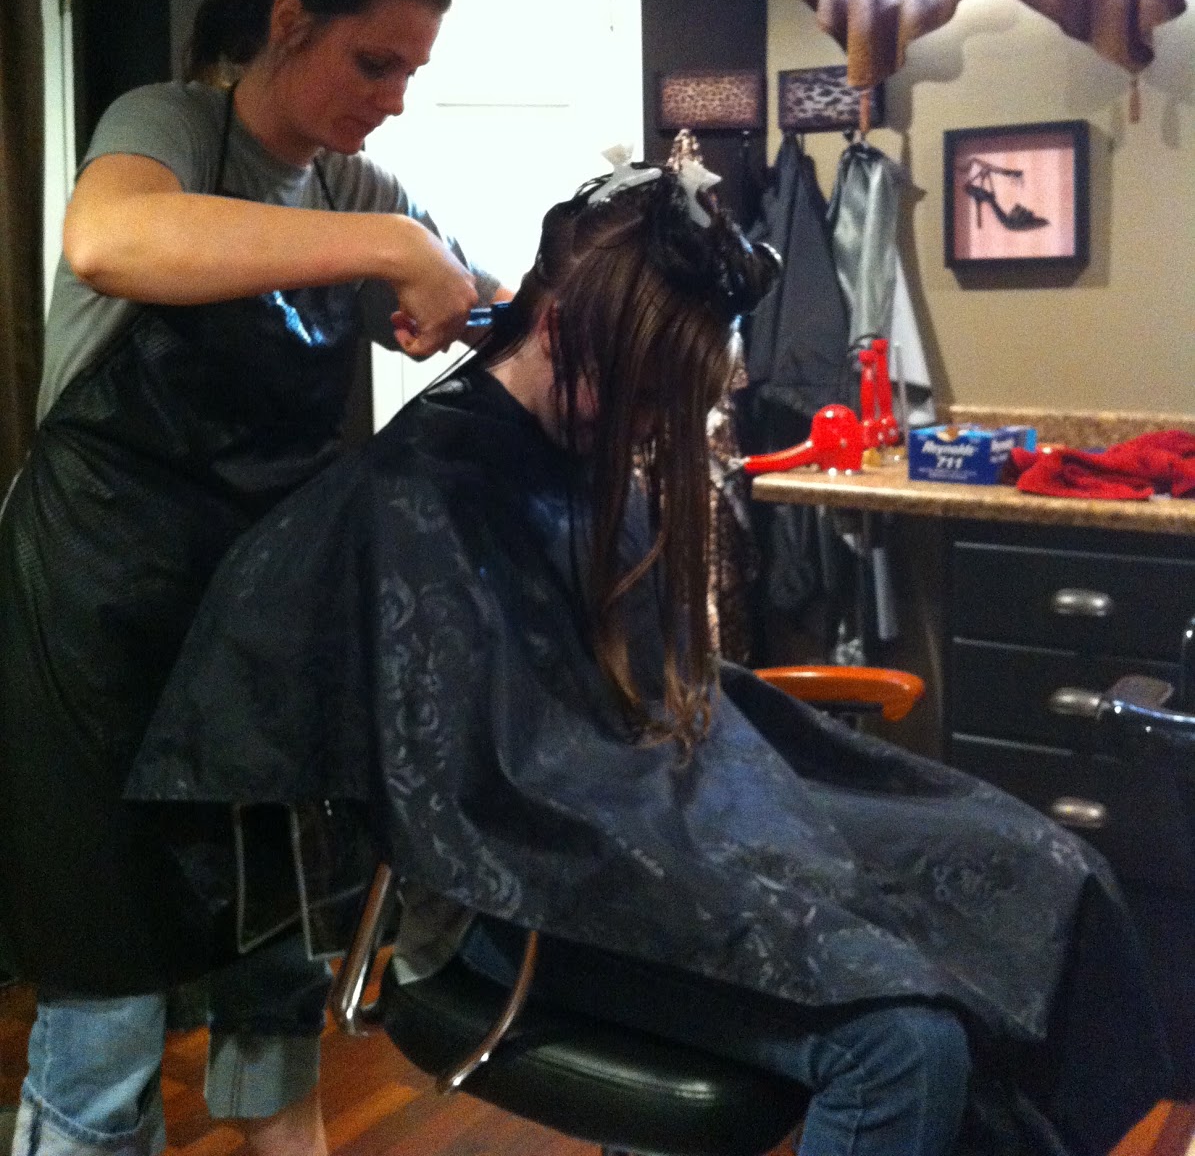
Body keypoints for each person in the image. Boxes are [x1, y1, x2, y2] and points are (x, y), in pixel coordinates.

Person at [130, 159, 1171, 1156]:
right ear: (558, 330)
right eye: (640, 394)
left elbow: (618, 715)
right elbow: (478, 798)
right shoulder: (416, 493)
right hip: (517, 900)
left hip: (643, 836)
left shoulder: (575, 457)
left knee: (1043, 872)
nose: (648, 427)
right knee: (905, 1042)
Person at [0, 0, 506, 1156]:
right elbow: (112, 240)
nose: (393, 96)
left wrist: (567, 310)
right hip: (98, 628)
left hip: (255, 628)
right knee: (109, 997)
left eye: (412, 70)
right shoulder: (167, 127)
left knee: (276, 961)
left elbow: (478, 306)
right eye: (373, 61)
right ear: (288, 21)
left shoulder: (359, 185)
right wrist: (383, 245)